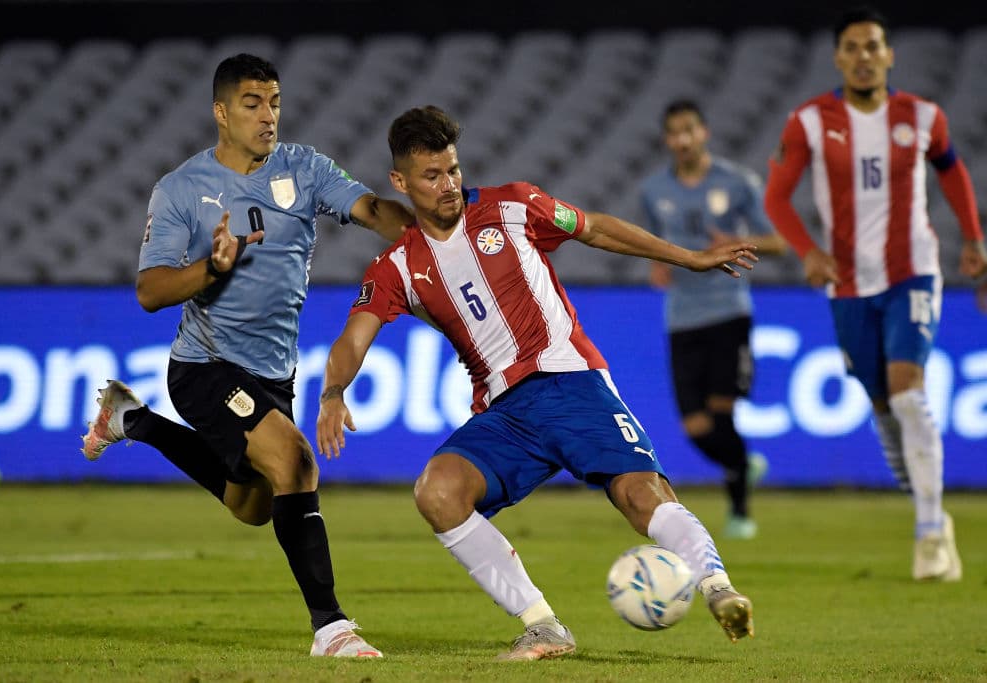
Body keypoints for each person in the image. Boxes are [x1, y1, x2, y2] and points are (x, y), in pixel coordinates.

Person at [316, 105, 759, 660]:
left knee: (637, 492)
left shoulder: (513, 205)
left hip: (569, 381)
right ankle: (544, 626)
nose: (448, 185)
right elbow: (353, 338)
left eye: (453, 170)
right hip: (505, 413)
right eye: (431, 176)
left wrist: (688, 258)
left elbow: (595, 227)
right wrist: (332, 393)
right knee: (438, 491)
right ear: (400, 182)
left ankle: (718, 589)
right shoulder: (397, 266)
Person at [81, 53, 414, 657]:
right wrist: (212, 268)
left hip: (273, 372)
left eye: (275, 103)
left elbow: (371, 210)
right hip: (204, 366)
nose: (268, 117)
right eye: (252, 104)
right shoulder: (182, 188)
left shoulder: (304, 168)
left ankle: (133, 420)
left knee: (252, 506)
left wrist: (427, 230)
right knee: (296, 463)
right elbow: (150, 291)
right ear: (221, 111)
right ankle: (331, 628)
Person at [764, 6, 987, 582]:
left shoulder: (923, 116)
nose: (863, 57)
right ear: (838, 58)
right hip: (848, 282)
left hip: (914, 270)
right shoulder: (809, 122)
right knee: (882, 404)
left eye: (873, 46)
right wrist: (808, 251)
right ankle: (929, 506)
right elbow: (777, 198)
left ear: (889, 54)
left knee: (907, 391)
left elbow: (953, 172)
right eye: (852, 47)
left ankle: (929, 532)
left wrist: (973, 237)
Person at [639, 99, 787, 540]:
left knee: (723, 415)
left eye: (689, 130)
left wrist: (738, 241)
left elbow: (778, 242)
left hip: (727, 311)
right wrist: (658, 263)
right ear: (667, 139)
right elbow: (655, 239)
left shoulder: (736, 182)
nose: (682, 140)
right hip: (682, 317)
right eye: (674, 132)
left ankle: (740, 513)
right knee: (696, 427)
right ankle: (742, 464)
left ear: (703, 133)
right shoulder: (653, 190)